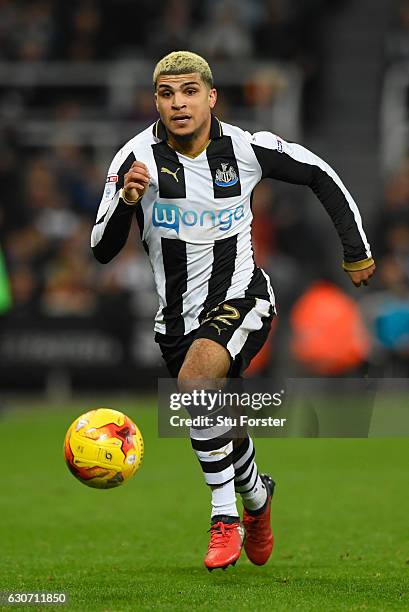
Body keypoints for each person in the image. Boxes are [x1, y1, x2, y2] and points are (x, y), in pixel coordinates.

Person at [91, 51, 375, 571]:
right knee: (217, 415)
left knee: (197, 384)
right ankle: (258, 497)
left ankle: (225, 517)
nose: (178, 103)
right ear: (155, 100)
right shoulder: (134, 159)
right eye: (167, 94)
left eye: (189, 92)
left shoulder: (246, 148)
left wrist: (355, 248)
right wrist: (129, 202)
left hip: (243, 298)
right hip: (175, 321)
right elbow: (102, 249)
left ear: (211, 96)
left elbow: (320, 174)